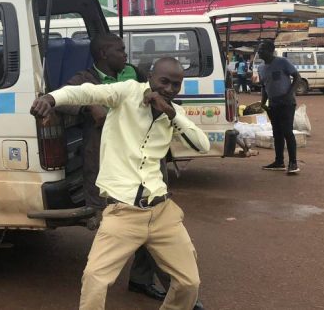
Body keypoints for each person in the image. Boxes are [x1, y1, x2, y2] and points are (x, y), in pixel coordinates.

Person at [31, 57, 210, 310]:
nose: (169, 89)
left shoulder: (175, 113)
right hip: (123, 212)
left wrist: (171, 115)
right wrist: (50, 99)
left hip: (161, 213)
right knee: (95, 278)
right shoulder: (127, 93)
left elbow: (202, 145)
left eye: (176, 85)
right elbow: (86, 92)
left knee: (189, 282)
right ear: (150, 76)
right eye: (164, 82)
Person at [257, 40, 301, 174]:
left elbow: (297, 77)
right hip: (273, 104)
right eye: (259, 49)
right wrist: (263, 103)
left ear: (270, 51)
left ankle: (293, 163)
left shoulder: (282, 62)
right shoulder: (261, 68)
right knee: (277, 134)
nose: (259, 52)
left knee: (287, 131)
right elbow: (264, 87)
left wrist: (290, 93)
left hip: (287, 103)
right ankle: (279, 161)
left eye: (262, 49)